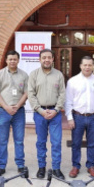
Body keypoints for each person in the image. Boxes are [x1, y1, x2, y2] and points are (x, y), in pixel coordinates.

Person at [66, 56, 94, 178]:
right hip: (77, 117)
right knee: (76, 143)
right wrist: (69, 117)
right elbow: (68, 101)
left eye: (90, 65)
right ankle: (75, 166)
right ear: (81, 66)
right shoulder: (73, 81)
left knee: (92, 143)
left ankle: (90, 165)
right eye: (85, 65)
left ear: (93, 66)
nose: (87, 67)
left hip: (93, 117)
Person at [27, 48, 66, 179]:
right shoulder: (34, 74)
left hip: (55, 113)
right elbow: (31, 94)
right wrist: (41, 110)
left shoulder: (59, 75)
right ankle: (41, 167)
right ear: (40, 59)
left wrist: (56, 110)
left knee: (56, 142)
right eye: (44, 57)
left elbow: (62, 94)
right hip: (40, 114)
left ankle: (56, 168)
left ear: (53, 59)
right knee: (41, 142)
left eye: (49, 57)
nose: (47, 60)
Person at [0, 50, 29, 176]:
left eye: (15, 59)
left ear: (18, 60)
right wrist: (6, 107)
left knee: (19, 140)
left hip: (18, 112)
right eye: (10, 59)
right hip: (3, 111)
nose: (12, 61)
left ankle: (20, 165)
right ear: (6, 60)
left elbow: (26, 93)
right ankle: (1, 166)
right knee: (3, 140)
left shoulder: (24, 75)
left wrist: (17, 106)